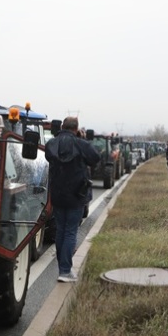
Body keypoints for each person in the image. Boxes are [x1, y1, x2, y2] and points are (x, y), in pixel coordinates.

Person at [45, 116, 100, 283]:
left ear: (62, 126)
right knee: (70, 231)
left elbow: (48, 157)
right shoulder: (80, 144)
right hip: (77, 194)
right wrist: (81, 140)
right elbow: (95, 158)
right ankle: (65, 270)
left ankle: (63, 267)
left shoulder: (51, 144)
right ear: (76, 129)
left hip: (57, 193)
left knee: (61, 230)